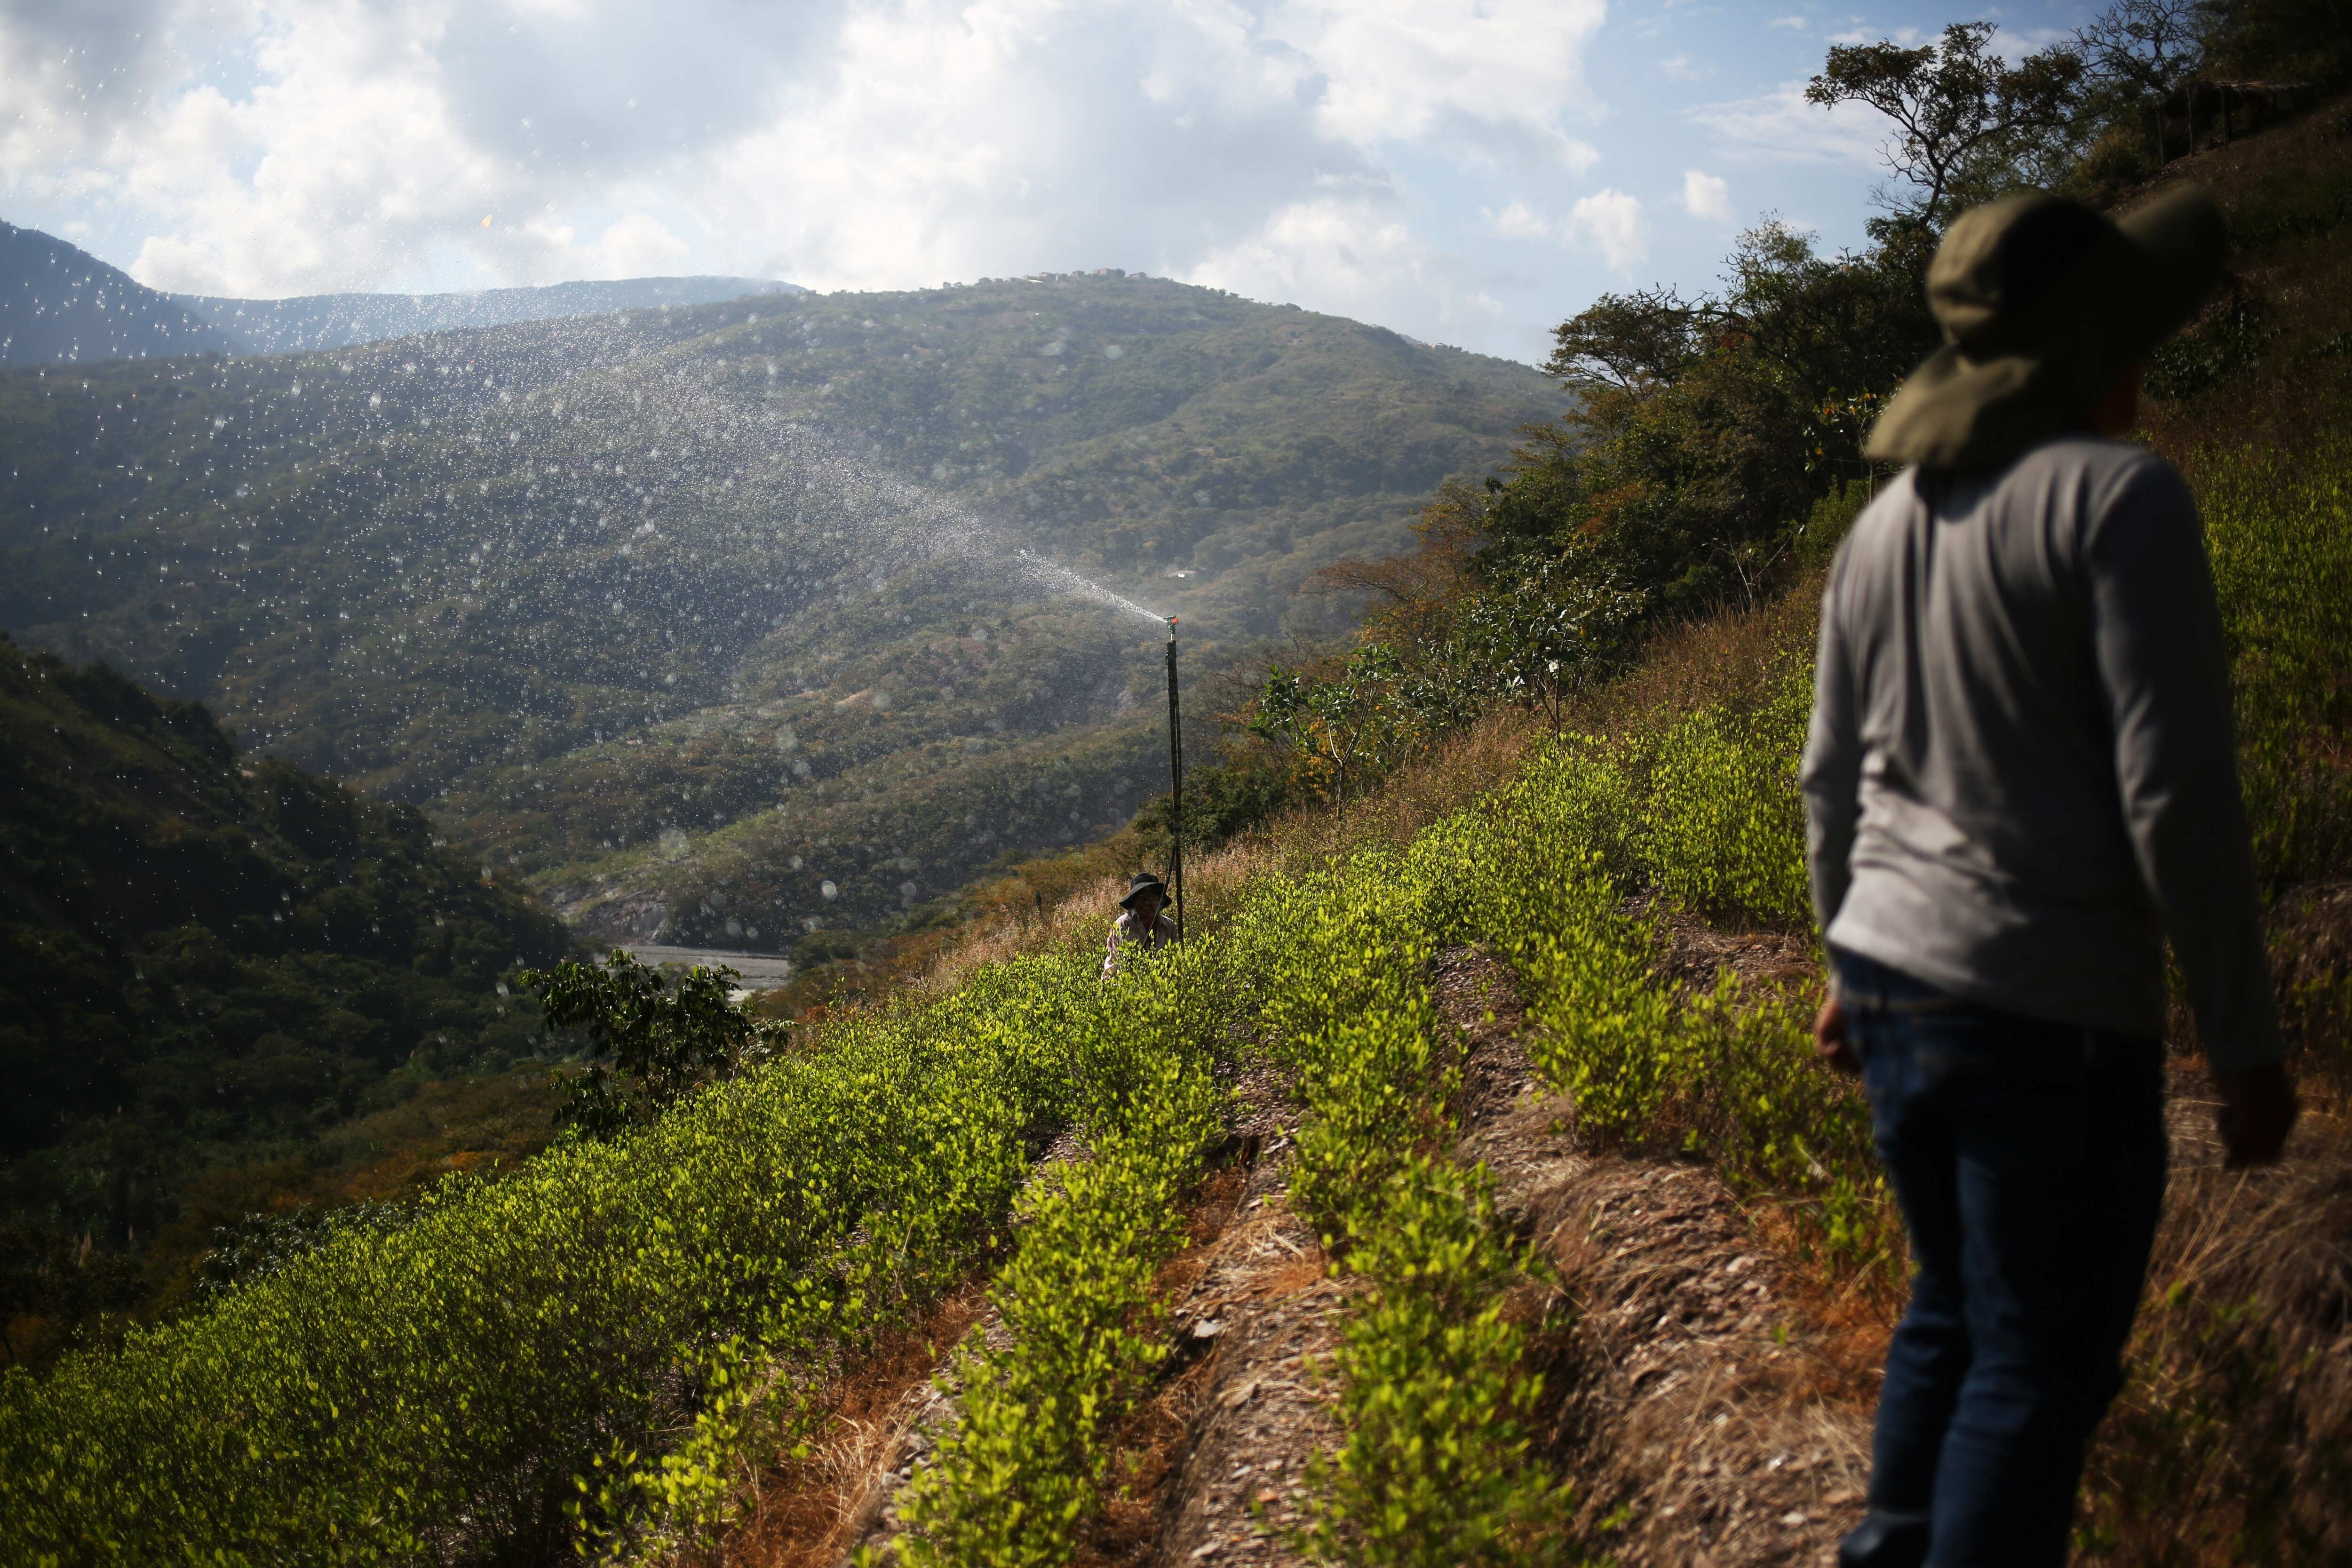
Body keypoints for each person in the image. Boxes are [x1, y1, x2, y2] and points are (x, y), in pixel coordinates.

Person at [1800, 185, 2300, 1568]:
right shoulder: (2119, 499)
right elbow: (2174, 796)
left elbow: (1829, 778)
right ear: (2094, 350)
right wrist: (2243, 1045)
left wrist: (1850, 964)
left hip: (1897, 987)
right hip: (2045, 1003)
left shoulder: (1885, 522)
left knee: (1951, 1310)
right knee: (2033, 1368)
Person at [1103, 871, 1179, 978]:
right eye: (1142, 897)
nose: (1147, 902)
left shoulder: (1168, 926)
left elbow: (1176, 960)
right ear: (1134, 901)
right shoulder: (1125, 924)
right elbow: (1127, 967)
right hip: (1124, 985)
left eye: (1151, 897)